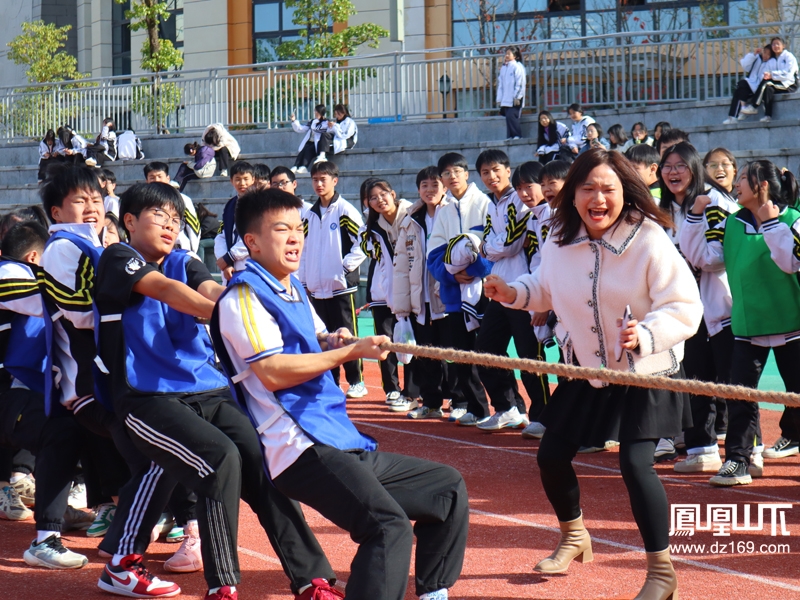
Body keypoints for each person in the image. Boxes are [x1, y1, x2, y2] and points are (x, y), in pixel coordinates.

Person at [209, 185, 468, 600]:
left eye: (299, 229)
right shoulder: (243, 296)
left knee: (446, 489)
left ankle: (433, 593)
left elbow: (311, 337)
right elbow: (272, 371)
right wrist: (348, 351)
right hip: (299, 447)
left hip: (335, 438)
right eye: (282, 229)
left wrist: (332, 340)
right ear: (252, 241)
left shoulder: (291, 289)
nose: (296, 239)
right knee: (386, 527)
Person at [94, 182, 339, 600]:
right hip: (146, 398)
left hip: (208, 389)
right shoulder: (118, 258)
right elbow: (174, 294)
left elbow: (210, 290)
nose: (171, 225)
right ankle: (222, 584)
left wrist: (264, 314)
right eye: (160, 217)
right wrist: (244, 316)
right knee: (217, 460)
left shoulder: (185, 260)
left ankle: (311, 579)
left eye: (176, 219)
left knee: (266, 465)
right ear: (129, 221)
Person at [484, 148, 702, 600]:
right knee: (550, 455)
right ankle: (574, 535)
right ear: (572, 194)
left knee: (636, 465)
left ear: (626, 193)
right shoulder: (559, 236)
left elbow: (685, 307)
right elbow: (544, 286)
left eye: (608, 189)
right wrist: (511, 292)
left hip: (646, 371)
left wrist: (646, 333)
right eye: (588, 188)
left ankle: (662, 574)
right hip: (589, 369)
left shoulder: (649, 238)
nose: (598, 198)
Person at [38, 165, 184, 595]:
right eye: (80, 201)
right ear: (56, 210)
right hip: (87, 383)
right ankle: (141, 545)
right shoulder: (64, 248)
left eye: (97, 201)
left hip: (106, 377)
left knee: (148, 458)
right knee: (157, 454)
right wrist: (131, 285)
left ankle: (125, 541)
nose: (91, 209)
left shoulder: (101, 245)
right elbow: (82, 313)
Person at [681, 160, 800, 485]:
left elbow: (790, 262)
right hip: (747, 327)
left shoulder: (793, 219)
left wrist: (772, 222)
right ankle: (738, 459)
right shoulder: (733, 223)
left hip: (793, 326)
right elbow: (706, 259)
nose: (736, 185)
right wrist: (693, 218)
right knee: (740, 397)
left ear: (761, 185)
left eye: (744, 178)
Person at [0, 222, 91, 568]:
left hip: (15, 392)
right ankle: (46, 538)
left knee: (66, 416)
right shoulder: (11, 273)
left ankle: (58, 507)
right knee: (62, 430)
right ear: (36, 257)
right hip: (9, 394)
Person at [658, 142, 741, 476]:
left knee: (733, 384)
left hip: (722, 307)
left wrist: (683, 262)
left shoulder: (714, 202)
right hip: (685, 310)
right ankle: (702, 449)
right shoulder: (663, 210)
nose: (673, 172)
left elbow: (715, 257)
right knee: (694, 379)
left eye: (681, 165)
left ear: (695, 168)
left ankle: (746, 451)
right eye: (667, 166)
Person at [474, 152, 545, 433]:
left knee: (529, 356)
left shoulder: (520, 199)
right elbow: (488, 244)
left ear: (507, 169)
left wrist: (490, 248)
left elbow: (508, 246)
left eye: (495, 170)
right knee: (485, 349)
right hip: (501, 289)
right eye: (484, 173)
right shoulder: (492, 204)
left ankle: (542, 415)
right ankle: (508, 407)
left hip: (525, 289)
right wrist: (490, 247)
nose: (491, 177)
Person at [427, 152, 491, 426]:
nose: (451, 177)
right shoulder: (443, 211)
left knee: (490, 354)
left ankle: (512, 406)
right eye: (446, 173)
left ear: (467, 173)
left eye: (456, 171)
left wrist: (475, 272)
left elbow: (493, 247)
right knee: (462, 355)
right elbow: (434, 256)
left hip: (486, 293)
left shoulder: (484, 204)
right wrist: (453, 277)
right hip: (454, 296)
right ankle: (478, 408)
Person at [302, 161, 367, 397]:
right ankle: (332, 382)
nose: (319, 184)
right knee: (325, 337)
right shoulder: (309, 214)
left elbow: (364, 242)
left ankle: (357, 381)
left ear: (334, 180)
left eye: (324, 179)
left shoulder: (345, 210)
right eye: (315, 179)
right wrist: (305, 279)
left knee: (346, 334)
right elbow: (305, 248)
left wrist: (344, 267)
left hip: (340, 287)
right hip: (316, 288)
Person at [394, 167, 450, 419]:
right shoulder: (409, 219)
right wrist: (402, 307)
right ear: (418, 190)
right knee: (426, 354)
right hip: (421, 300)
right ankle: (431, 403)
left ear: (445, 187)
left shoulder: (451, 213)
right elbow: (401, 266)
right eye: (424, 185)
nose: (429, 190)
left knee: (453, 353)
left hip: (447, 299)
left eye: (435, 185)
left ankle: (460, 402)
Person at [357, 179, 417, 411]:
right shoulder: (370, 229)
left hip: (413, 290)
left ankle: (416, 391)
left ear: (393, 193)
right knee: (385, 340)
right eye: (371, 198)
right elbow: (370, 253)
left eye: (382, 194)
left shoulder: (412, 216)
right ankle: (392, 388)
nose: (378, 200)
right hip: (383, 291)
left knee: (414, 342)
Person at [144, 162, 201, 253]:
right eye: (152, 178)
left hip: (178, 248)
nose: (157, 180)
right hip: (151, 249)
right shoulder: (142, 201)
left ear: (168, 178)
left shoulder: (182, 199)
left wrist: (193, 250)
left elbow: (193, 226)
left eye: (160, 176)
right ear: (147, 181)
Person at [214, 161, 257, 279]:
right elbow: (222, 235)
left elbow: (256, 236)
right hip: (230, 268)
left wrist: (230, 257)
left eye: (245, 179)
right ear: (231, 181)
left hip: (251, 264)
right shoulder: (230, 205)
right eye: (237, 179)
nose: (242, 183)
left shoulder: (259, 203)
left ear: (253, 179)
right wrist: (225, 261)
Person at [741, 37, 799, 123]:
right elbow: (765, 72)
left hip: (789, 84)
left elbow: (788, 74)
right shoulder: (771, 60)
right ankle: (768, 116)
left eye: (777, 44)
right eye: (773, 44)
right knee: (768, 88)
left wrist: (772, 75)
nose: (775, 46)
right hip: (776, 83)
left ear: (783, 45)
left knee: (767, 84)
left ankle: (754, 106)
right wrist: (767, 75)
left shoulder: (789, 57)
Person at [723, 44, 776, 124]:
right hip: (750, 84)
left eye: (768, 54)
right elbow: (745, 65)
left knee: (742, 86)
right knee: (739, 89)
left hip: (759, 89)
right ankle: (734, 116)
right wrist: (754, 55)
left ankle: (739, 112)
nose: (765, 56)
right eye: (765, 52)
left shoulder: (772, 62)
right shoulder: (756, 58)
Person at [291, 104, 334, 173]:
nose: (315, 112)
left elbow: (319, 130)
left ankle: (304, 166)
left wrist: (315, 123)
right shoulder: (312, 121)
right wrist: (294, 121)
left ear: (319, 112)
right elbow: (301, 129)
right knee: (303, 150)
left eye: (316, 111)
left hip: (318, 143)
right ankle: (296, 166)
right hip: (310, 141)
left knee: (308, 150)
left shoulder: (326, 122)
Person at [496, 45, 526, 140]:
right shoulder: (504, 68)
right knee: (508, 117)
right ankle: (510, 136)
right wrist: (499, 99)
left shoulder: (518, 67)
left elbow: (520, 82)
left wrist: (517, 96)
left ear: (515, 56)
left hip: (515, 98)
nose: (507, 55)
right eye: (506, 53)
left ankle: (517, 135)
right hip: (506, 98)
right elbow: (501, 85)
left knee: (512, 116)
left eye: (509, 54)